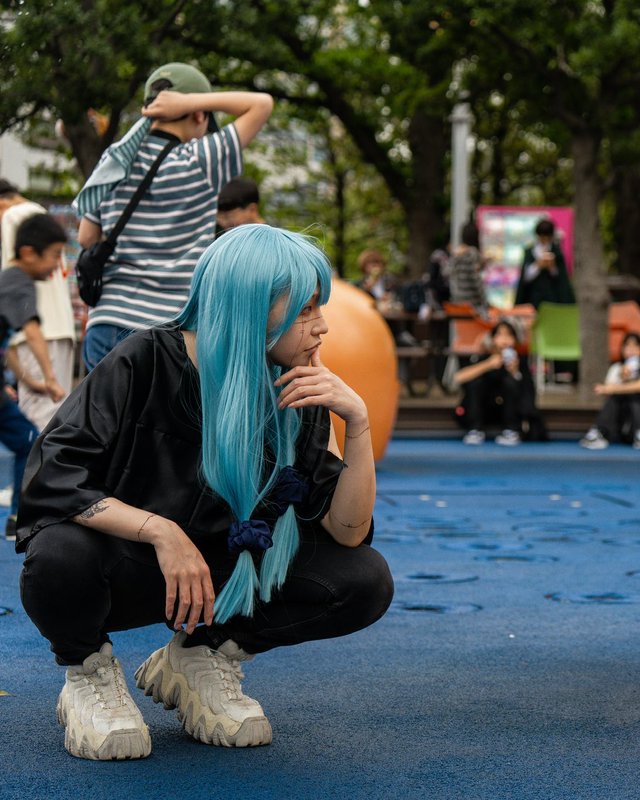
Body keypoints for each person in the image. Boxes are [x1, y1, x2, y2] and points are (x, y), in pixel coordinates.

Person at [16, 225, 393, 761]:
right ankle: (89, 671)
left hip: (223, 578)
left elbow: (347, 534)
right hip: (131, 568)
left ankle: (200, 655)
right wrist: (160, 530)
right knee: (57, 554)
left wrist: (358, 426)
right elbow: (51, 479)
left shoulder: (296, 386)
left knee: (364, 581)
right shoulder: (143, 361)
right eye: (306, 309)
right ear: (249, 305)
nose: (322, 326)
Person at [74, 62, 273, 370]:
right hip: (166, 328)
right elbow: (261, 104)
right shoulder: (200, 160)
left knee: (102, 419)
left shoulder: (115, 157)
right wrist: (194, 101)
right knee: (160, 420)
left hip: (106, 323)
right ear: (197, 114)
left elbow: (86, 237)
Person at [0, 215, 66, 541]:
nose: (57, 266)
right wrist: (51, 377)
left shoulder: (9, 282)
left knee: (26, 439)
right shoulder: (18, 281)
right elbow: (32, 332)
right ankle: (17, 516)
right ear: (29, 253)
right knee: (27, 440)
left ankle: (16, 516)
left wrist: (29, 380)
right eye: (55, 255)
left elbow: (8, 345)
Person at [0, 188, 76, 430]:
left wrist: (44, 378)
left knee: (38, 423)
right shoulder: (40, 218)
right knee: (49, 420)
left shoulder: (15, 216)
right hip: (57, 330)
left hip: (40, 335)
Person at [452, 320, 543, 446]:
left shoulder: (520, 361)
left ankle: (512, 430)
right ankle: (474, 429)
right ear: (493, 339)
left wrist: (515, 372)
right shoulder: (483, 356)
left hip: (507, 411)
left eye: (509, 335)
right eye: (500, 335)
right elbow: (459, 377)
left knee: (511, 383)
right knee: (476, 382)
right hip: (484, 409)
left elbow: (527, 391)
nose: (504, 340)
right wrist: (488, 365)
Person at [580, 332, 640, 450]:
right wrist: (622, 378)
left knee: (634, 396)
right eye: (628, 345)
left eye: (636, 345)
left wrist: (613, 388)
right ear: (622, 349)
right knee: (616, 397)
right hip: (620, 414)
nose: (631, 349)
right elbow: (609, 389)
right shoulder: (616, 368)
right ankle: (598, 433)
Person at [515, 218, 574, 309]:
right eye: (542, 237)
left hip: (552, 298)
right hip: (533, 298)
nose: (544, 240)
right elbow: (525, 277)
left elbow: (562, 278)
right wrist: (538, 265)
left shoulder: (557, 252)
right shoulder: (530, 251)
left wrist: (552, 267)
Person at [447, 220, 487, 312]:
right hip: (473, 306)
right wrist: (485, 303)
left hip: (457, 303)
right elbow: (476, 281)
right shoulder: (472, 253)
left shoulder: (456, 253)